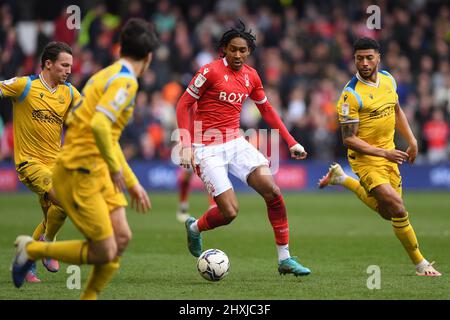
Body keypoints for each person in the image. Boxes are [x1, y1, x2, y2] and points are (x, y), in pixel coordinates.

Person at [11, 18, 158, 299]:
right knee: (104, 247)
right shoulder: (125, 83)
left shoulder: (102, 76)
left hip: (92, 165)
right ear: (149, 57)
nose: (68, 70)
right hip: (81, 168)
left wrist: (132, 181)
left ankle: (46, 250)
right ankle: (33, 249)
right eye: (63, 65)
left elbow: (104, 135)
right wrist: (120, 170)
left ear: (120, 49)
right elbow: (101, 127)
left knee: (121, 239)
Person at [176, 21, 311, 276]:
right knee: (229, 212)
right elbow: (183, 105)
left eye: (243, 50)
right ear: (224, 50)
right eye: (233, 49)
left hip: (236, 142)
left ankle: (285, 258)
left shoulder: (252, 76)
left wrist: (291, 141)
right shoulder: (209, 72)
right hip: (206, 147)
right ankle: (195, 228)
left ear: (249, 51)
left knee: (272, 191)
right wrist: (185, 145)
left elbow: (267, 110)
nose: (238, 55)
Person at [319, 37, 441, 277]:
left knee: (387, 213)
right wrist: (383, 152)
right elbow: (349, 139)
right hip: (366, 159)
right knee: (397, 208)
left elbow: (396, 110)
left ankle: (342, 179)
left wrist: (412, 139)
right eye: (359, 58)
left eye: (369, 57)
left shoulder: (388, 79)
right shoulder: (350, 95)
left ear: (378, 58)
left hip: (390, 154)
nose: (364, 63)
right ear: (353, 60)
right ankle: (421, 264)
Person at [0, 41, 81, 282]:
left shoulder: (69, 92)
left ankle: (30, 256)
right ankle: (47, 244)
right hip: (30, 163)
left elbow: (89, 118)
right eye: (64, 65)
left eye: (71, 66)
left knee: (60, 209)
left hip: (57, 163)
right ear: (48, 64)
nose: (69, 70)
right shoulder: (24, 86)